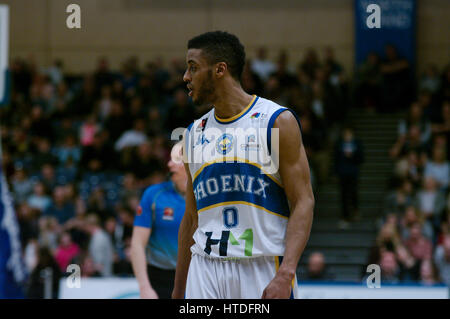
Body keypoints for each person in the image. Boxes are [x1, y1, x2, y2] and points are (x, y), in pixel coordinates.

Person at [172, 31, 314, 299]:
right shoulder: (193, 134)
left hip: (261, 266)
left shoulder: (276, 122)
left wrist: (286, 273)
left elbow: (303, 202)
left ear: (220, 70)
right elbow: (191, 218)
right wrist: (178, 290)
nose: (186, 77)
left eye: (193, 68)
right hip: (205, 267)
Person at [131, 142, 187, 299]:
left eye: (176, 160)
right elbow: (137, 244)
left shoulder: (207, 196)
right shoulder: (154, 194)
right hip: (159, 279)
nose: (169, 164)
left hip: (196, 277)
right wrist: (144, 287)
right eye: (170, 159)